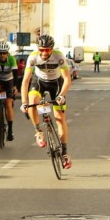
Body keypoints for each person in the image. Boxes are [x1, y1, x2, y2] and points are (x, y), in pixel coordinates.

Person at [20, 34, 74, 169]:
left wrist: (61, 95)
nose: (44, 52)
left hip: (56, 83)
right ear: (38, 48)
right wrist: (23, 102)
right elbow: (25, 81)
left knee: (60, 118)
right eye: (42, 49)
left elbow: (67, 79)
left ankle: (65, 153)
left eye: (47, 50)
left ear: (52, 49)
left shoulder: (59, 56)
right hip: (39, 82)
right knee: (32, 101)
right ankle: (38, 131)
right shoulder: (33, 57)